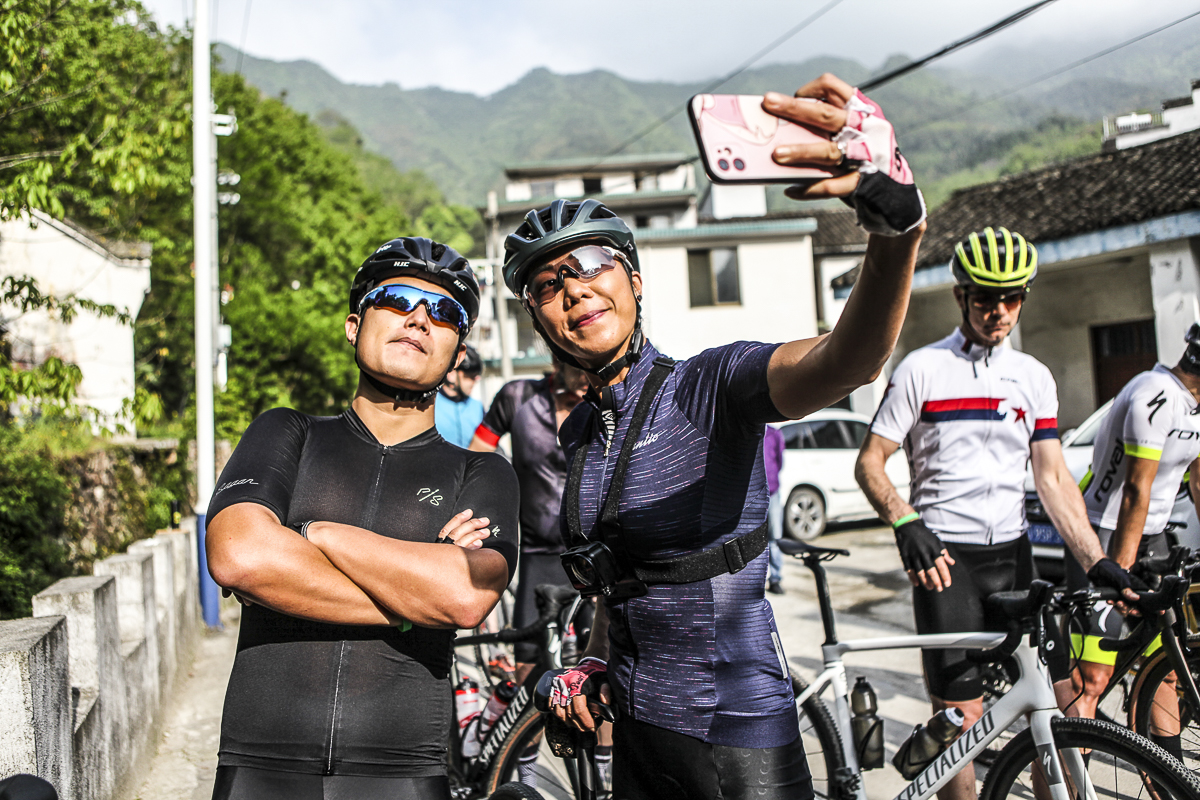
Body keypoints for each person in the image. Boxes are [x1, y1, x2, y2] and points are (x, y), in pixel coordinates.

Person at [505, 73, 927, 800]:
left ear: (635, 282)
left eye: (593, 265)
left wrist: (897, 233)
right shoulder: (582, 433)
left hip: (738, 735)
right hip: (638, 740)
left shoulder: (710, 385)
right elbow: (621, 576)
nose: (573, 288)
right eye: (547, 284)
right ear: (539, 320)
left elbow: (848, 360)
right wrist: (597, 662)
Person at [204, 237, 519, 800]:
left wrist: (315, 534)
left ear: (457, 354)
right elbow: (240, 555)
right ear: (354, 325)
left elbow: (466, 595)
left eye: (444, 312)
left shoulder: (483, 470)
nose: (418, 319)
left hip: (405, 773)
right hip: (259, 766)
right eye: (396, 300)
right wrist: (415, 605)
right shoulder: (286, 432)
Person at [854, 226, 1133, 800]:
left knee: (1063, 706)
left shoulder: (1033, 377)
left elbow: (1053, 478)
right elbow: (871, 463)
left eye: (1011, 298)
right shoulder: (922, 369)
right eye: (985, 298)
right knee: (963, 724)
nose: (998, 311)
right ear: (961, 296)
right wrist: (906, 522)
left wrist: (1096, 561)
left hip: (1014, 558)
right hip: (947, 565)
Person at [1064, 323, 1200, 762]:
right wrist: (1119, 575)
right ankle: (1071, 778)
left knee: (1166, 668)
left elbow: (1199, 480)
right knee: (1091, 678)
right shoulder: (1153, 394)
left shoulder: (1196, 407)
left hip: (1153, 536)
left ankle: (1172, 782)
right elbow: (1135, 491)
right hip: (1104, 535)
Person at [468, 357, 597, 789]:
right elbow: (476, 456)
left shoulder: (605, 398)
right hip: (540, 554)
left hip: (594, 556)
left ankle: (603, 779)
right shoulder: (518, 397)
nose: (585, 384)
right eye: (578, 373)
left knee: (603, 673)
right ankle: (524, 779)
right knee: (529, 673)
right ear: (557, 359)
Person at [435, 343, 485, 447]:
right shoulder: (430, 406)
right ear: (451, 374)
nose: (475, 380)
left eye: (476, 376)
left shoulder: (478, 407)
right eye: (470, 376)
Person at [764, 424, 786, 595]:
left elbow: (779, 461)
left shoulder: (774, 433)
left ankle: (775, 578)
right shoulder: (746, 428)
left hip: (772, 492)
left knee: (775, 537)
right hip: (749, 495)